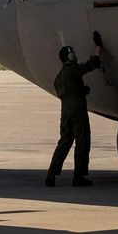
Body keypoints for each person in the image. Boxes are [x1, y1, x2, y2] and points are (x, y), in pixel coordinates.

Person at [46, 31, 104, 187]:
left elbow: (65, 93)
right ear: (70, 57)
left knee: (64, 142)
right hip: (78, 112)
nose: (76, 56)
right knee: (82, 142)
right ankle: (78, 176)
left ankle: (51, 174)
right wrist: (98, 47)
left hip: (66, 114)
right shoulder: (73, 70)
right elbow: (92, 64)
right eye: (74, 55)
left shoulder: (59, 77)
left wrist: (80, 90)